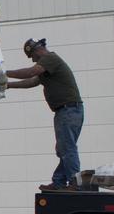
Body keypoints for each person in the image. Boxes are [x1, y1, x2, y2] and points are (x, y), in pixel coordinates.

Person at [6, 37, 84, 191]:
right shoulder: (47, 67)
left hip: (68, 110)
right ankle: (59, 182)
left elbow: (30, 73)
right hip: (66, 111)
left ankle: (75, 183)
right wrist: (8, 85)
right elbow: (31, 81)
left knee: (67, 148)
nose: (33, 60)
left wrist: (5, 73)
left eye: (33, 57)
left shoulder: (50, 59)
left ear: (38, 50)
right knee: (63, 149)